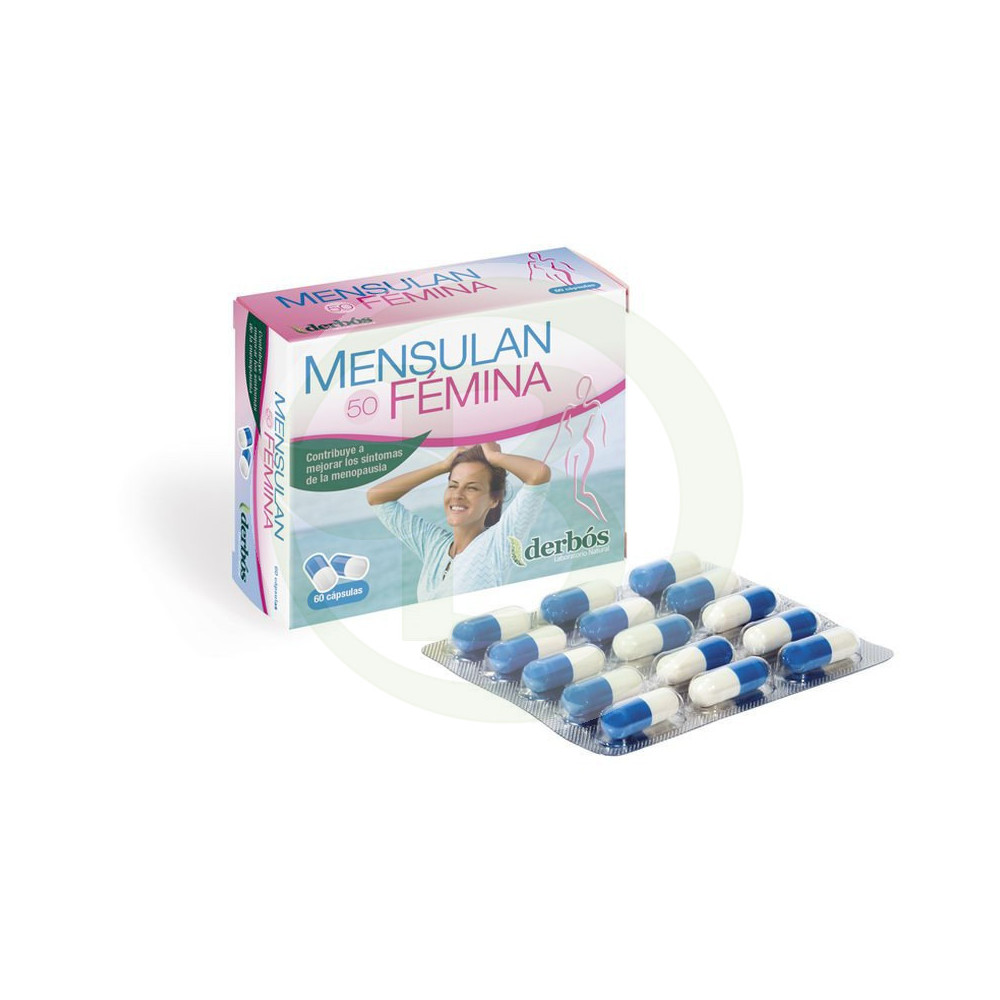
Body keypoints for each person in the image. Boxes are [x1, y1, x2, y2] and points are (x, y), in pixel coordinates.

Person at [367, 442, 551, 601]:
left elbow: (539, 474)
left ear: (494, 500)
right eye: (453, 486)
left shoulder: (497, 544)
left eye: (471, 488)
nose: (457, 495)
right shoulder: (433, 544)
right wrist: (441, 466)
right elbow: (377, 498)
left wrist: (495, 457)